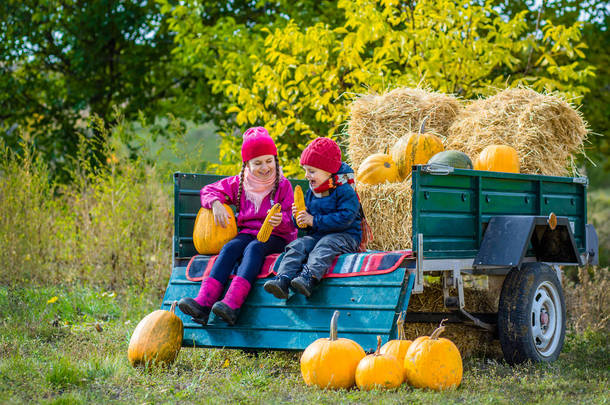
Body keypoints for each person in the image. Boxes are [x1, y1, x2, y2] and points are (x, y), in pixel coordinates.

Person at [178, 127, 297, 325]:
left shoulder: (283, 185)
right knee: (230, 248)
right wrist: (216, 203)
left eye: (269, 161)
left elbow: (290, 220)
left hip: (277, 236)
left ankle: (233, 304)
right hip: (249, 232)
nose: (265, 167)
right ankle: (204, 303)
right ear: (247, 164)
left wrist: (280, 220)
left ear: (275, 160)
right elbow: (208, 190)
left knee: (254, 248)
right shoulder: (239, 183)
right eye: (257, 162)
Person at [263, 137, 362, 299]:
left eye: (312, 171)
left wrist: (313, 220)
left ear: (329, 170)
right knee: (298, 245)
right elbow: (306, 224)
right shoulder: (313, 191)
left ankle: (309, 278)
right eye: (305, 170)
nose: (307, 175)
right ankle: (283, 279)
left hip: (346, 236)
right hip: (319, 234)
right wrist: (300, 219)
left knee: (325, 245)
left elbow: (346, 218)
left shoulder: (344, 190)